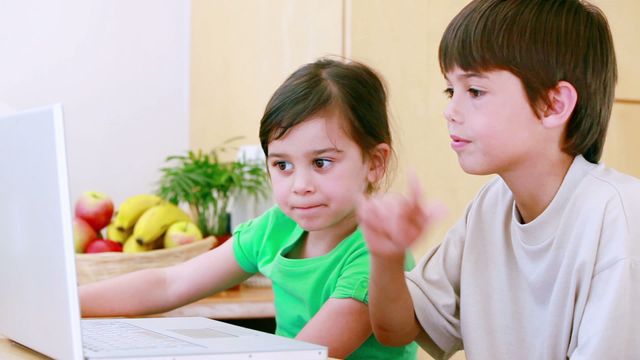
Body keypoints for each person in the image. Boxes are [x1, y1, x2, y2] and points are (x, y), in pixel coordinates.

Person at [80, 58, 418, 360]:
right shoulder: (277, 227)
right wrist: (70, 302)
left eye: (321, 162)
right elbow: (169, 283)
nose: (300, 184)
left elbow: (305, 355)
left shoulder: (374, 254)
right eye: (282, 165)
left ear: (374, 163)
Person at [358, 0, 640, 359]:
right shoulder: (491, 204)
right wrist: (387, 256)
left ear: (554, 104)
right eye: (451, 91)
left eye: (474, 91)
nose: (450, 111)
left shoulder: (620, 215)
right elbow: (396, 329)